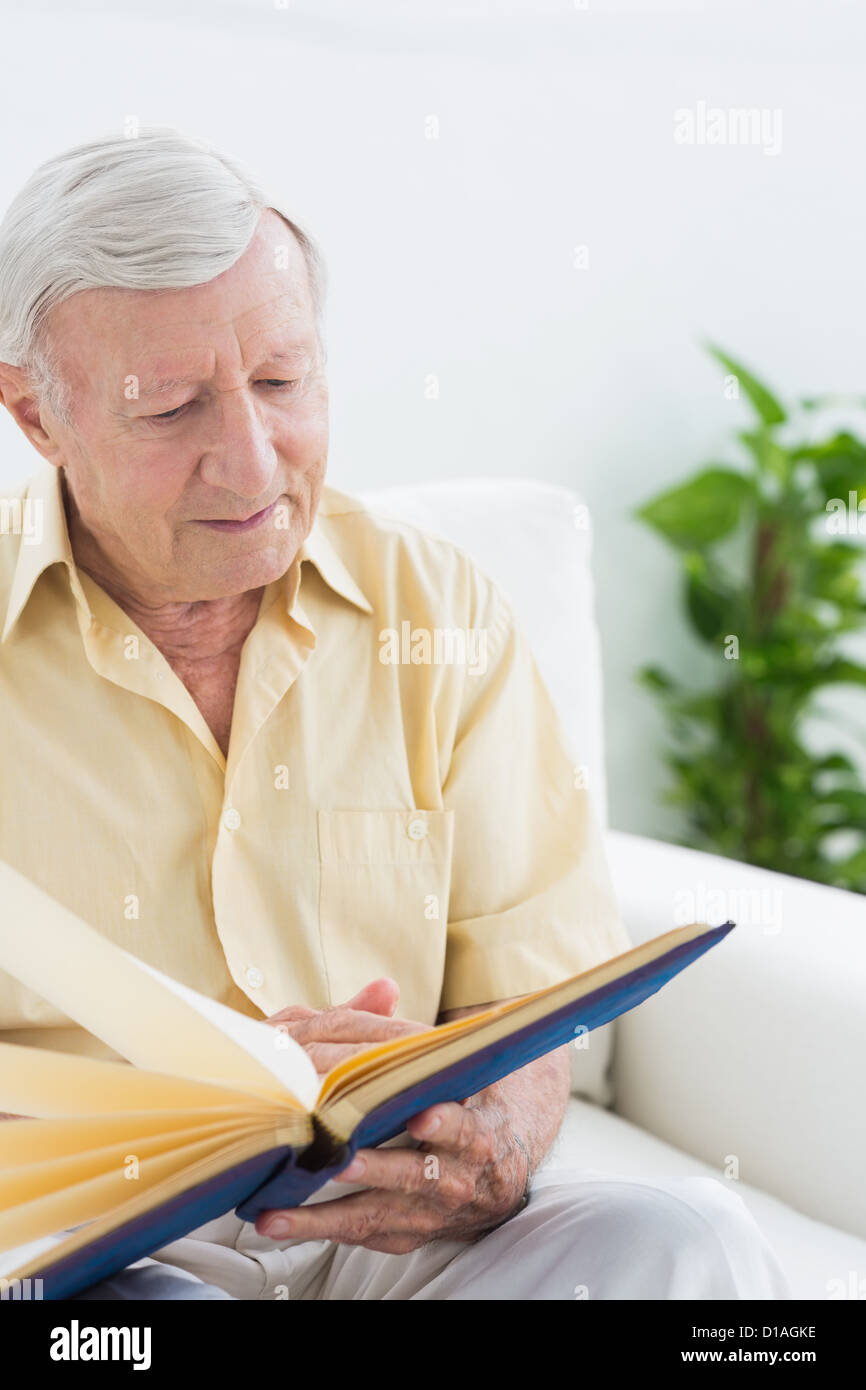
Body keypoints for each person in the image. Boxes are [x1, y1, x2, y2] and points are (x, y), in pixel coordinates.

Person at [0, 129, 790, 1300]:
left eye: (281, 382)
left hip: (385, 1233)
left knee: (686, 1244)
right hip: (85, 1248)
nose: (251, 460)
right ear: (36, 416)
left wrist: (490, 1147)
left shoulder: (437, 608)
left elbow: (528, 994)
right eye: (169, 408)